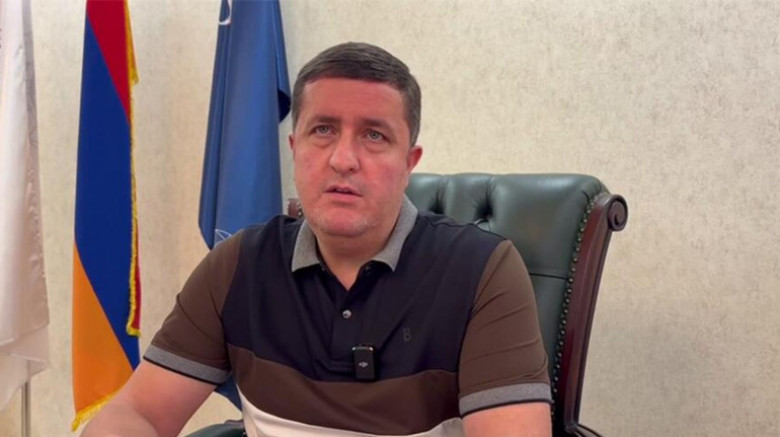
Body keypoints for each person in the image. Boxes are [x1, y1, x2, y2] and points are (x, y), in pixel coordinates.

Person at [83, 42, 552, 437]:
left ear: (409, 163)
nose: (343, 159)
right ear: (295, 149)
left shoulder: (482, 271)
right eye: (323, 130)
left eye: (374, 135)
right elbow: (139, 413)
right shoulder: (238, 265)